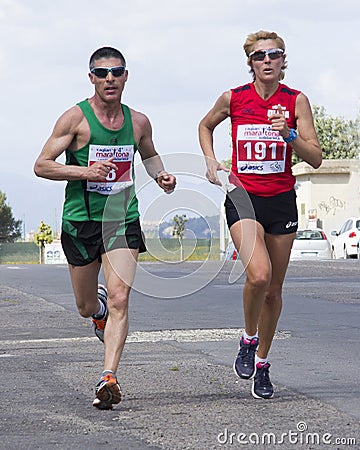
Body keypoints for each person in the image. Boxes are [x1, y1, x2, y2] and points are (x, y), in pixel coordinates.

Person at [34, 47, 176, 409]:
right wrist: (85, 171)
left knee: (121, 297)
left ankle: (108, 376)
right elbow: (42, 165)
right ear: (92, 78)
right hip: (81, 221)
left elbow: (148, 152)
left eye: (116, 72)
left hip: (121, 218)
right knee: (85, 306)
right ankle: (96, 314)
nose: (109, 79)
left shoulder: (139, 121)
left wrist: (160, 174)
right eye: (102, 73)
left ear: (126, 76)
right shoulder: (74, 120)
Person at [198, 30, 322, 399]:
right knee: (259, 275)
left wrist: (288, 135)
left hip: (281, 200)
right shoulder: (233, 98)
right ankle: (248, 339)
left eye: (274, 54)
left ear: (284, 62)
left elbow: (315, 158)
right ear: (250, 63)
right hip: (243, 197)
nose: (267, 60)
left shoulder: (296, 101)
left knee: (273, 292)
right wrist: (211, 160)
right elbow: (205, 125)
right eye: (259, 55)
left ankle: (263, 364)